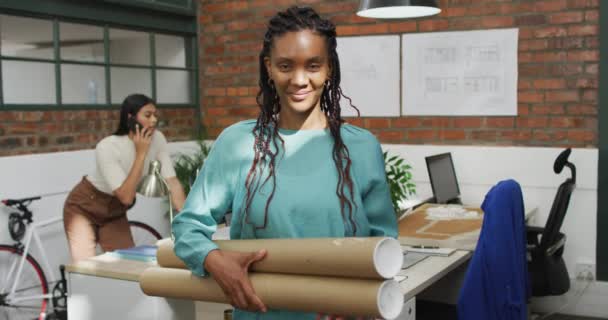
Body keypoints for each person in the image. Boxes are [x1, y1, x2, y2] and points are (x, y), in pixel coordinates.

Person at [172, 6, 397, 320]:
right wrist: (213, 259)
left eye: (313, 65)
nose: (299, 79)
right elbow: (187, 227)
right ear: (269, 67)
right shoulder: (237, 144)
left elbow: (384, 243)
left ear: (329, 68)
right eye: (286, 65)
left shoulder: (361, 148)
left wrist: (361, 296)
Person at [63, 93, 185, 262]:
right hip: (84, 207)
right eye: (147, 115)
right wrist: (141, 154)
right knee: (86, 269)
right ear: (130, 117)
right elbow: (126, 197)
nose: (154, 121)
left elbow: (171, 181)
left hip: (114, 210)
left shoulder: (158, 139)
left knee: (127, 264)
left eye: (155, 115)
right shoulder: (108, 146)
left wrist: (187, 216)